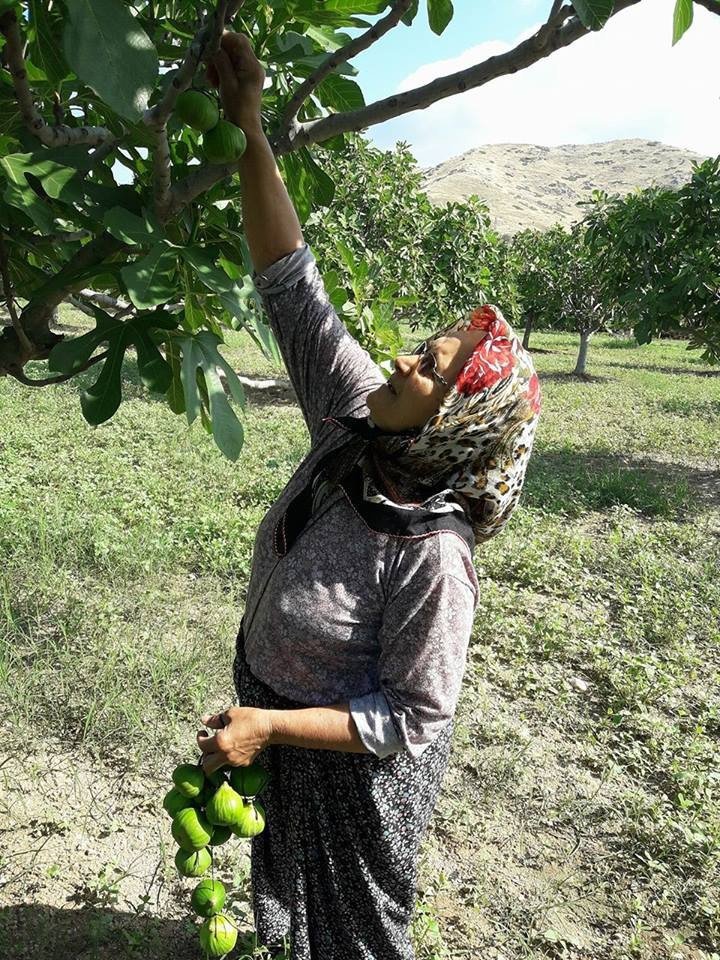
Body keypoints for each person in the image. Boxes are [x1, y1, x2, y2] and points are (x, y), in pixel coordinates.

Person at [196, 32, 542, 960]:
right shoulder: (355, 422)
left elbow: (413, 718)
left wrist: (271, 722)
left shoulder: (435, 553)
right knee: (281, 910)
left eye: (426, 366)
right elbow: (292, 285)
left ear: (453, 423)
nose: (399, 358)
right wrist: (251, 129)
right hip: (275, 731)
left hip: (353, 784)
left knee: (347, 937)